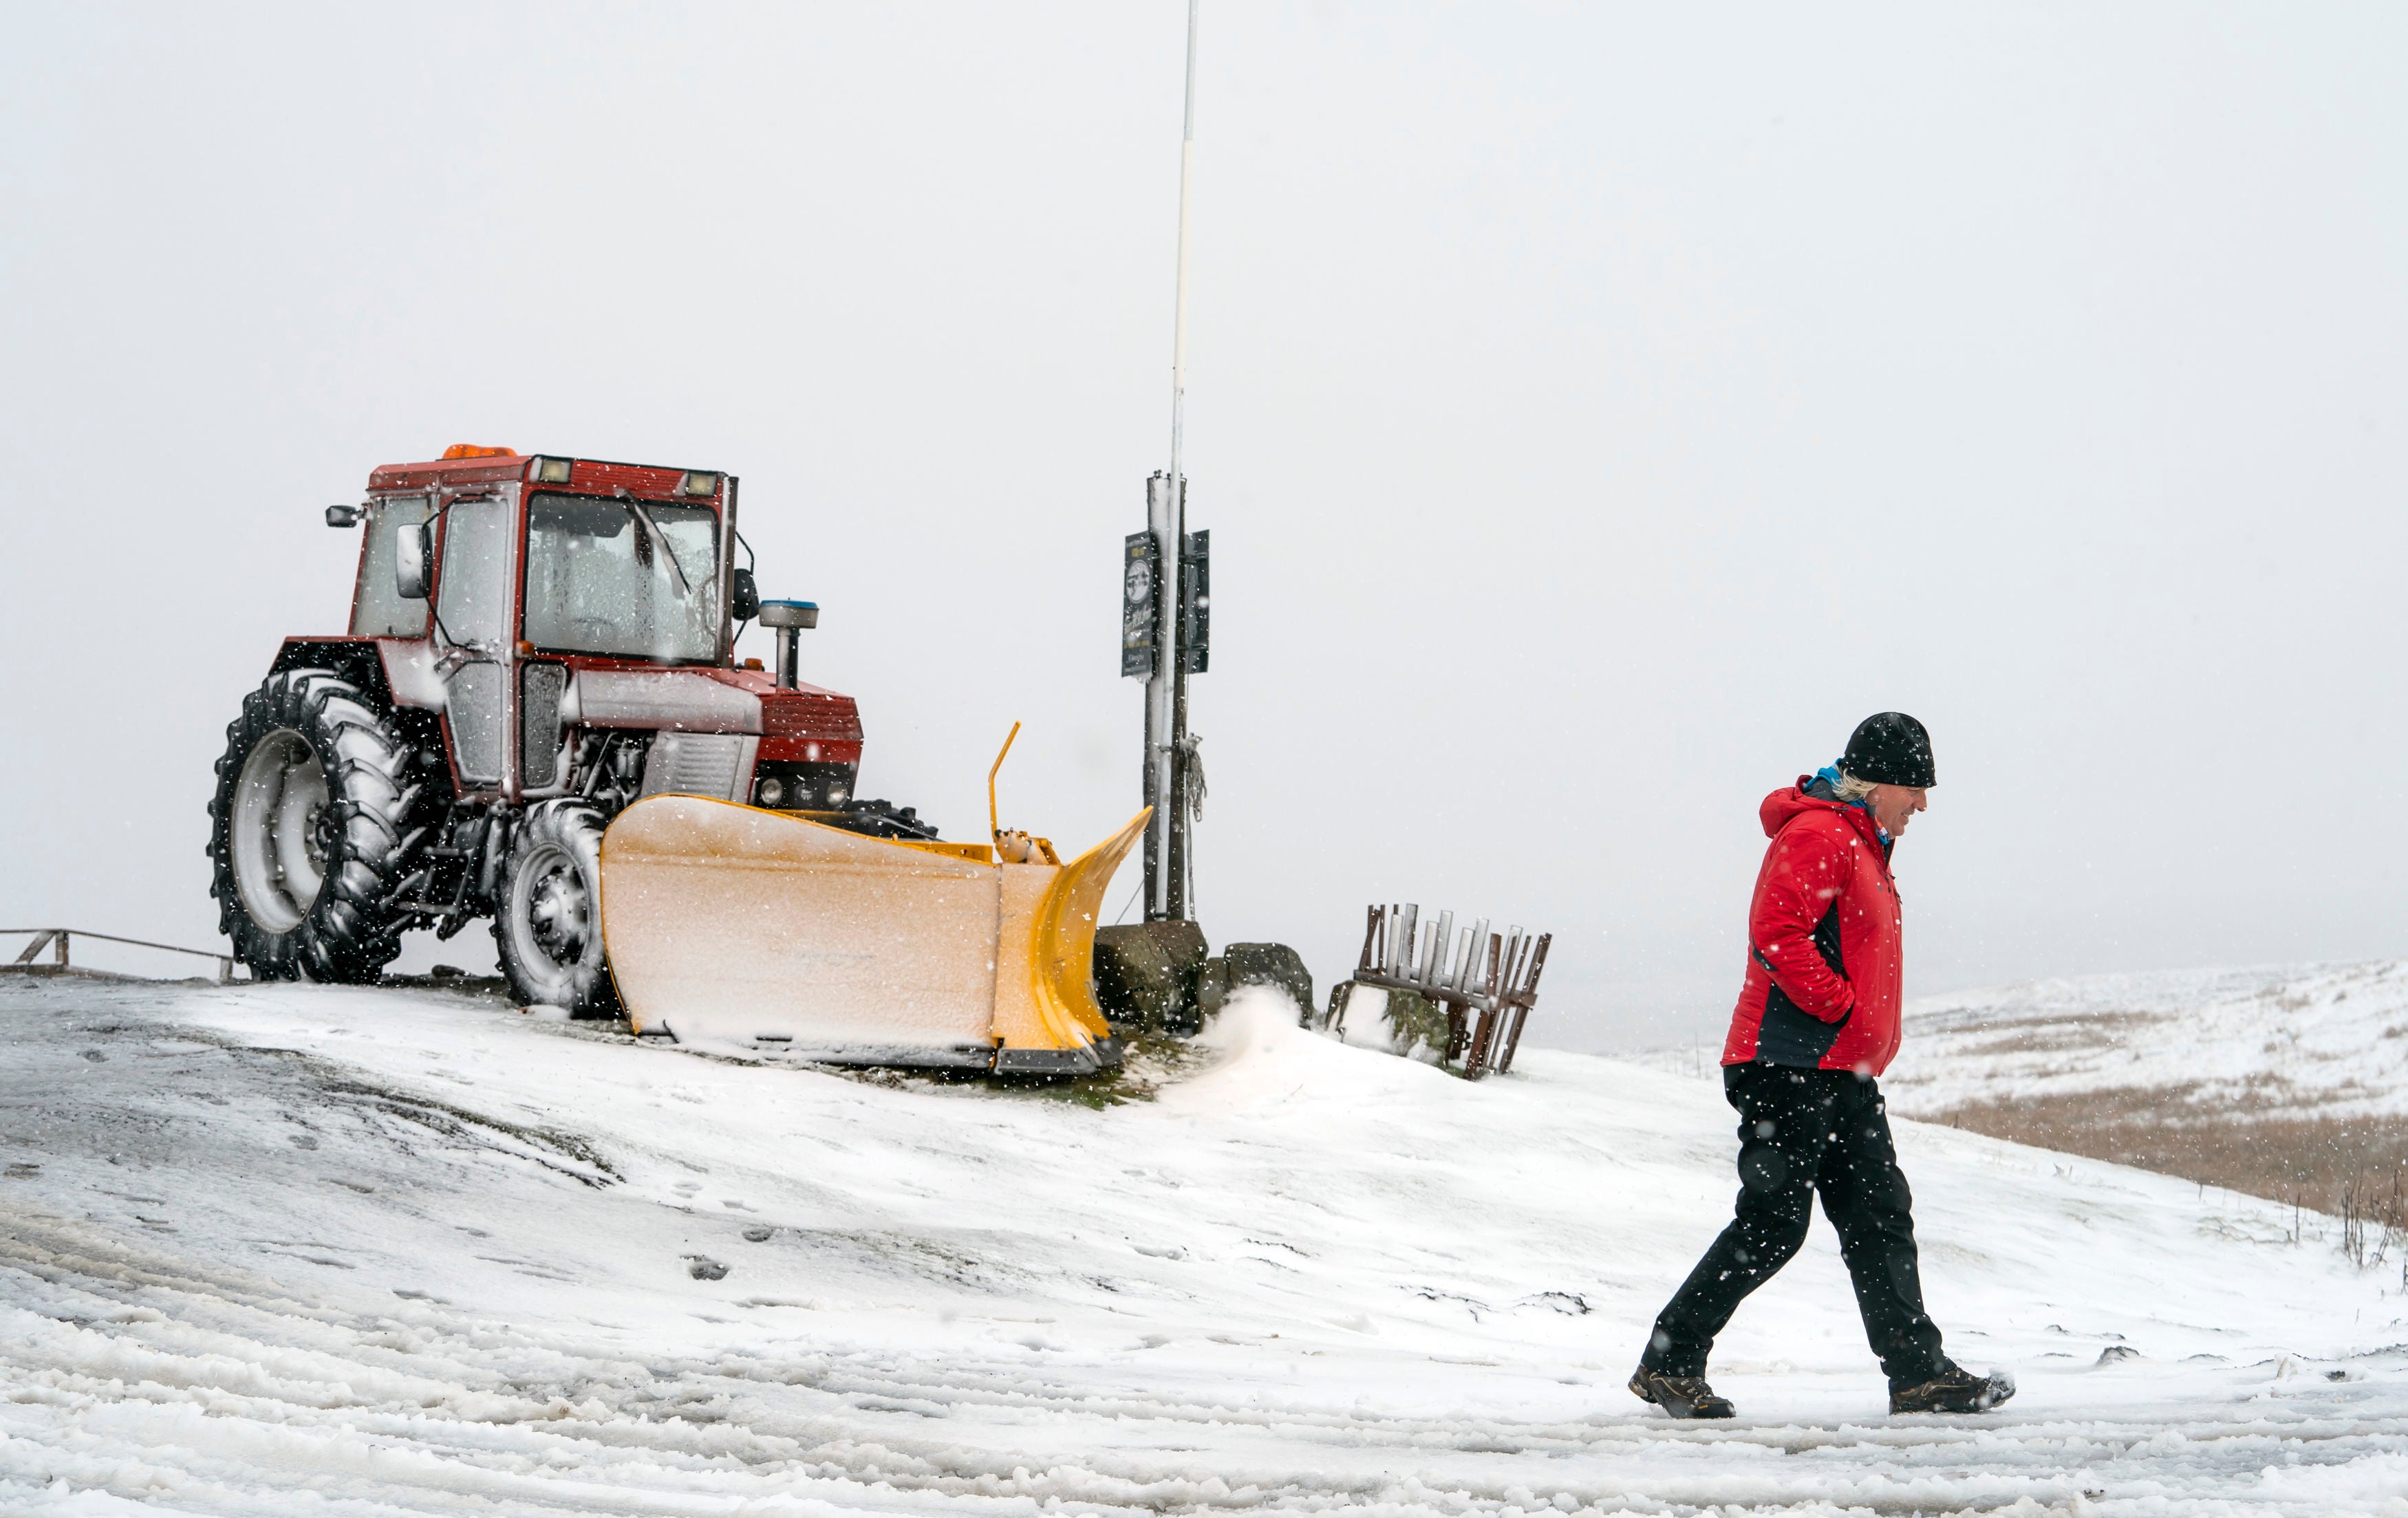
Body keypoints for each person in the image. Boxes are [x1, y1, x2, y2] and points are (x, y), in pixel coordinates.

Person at [1628, 712, 2014, 1420]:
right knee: (1772, 1224)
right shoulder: (1818, 834)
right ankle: (1669, 1359)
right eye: (1915, 787)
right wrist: (1838, 1008)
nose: (1922, 803)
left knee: (1878, 1217)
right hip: (1786, 1063)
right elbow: (1777, 932)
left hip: (1839, 1070)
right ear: (1877, 785)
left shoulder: (1861, 842)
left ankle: (1917, 1373)